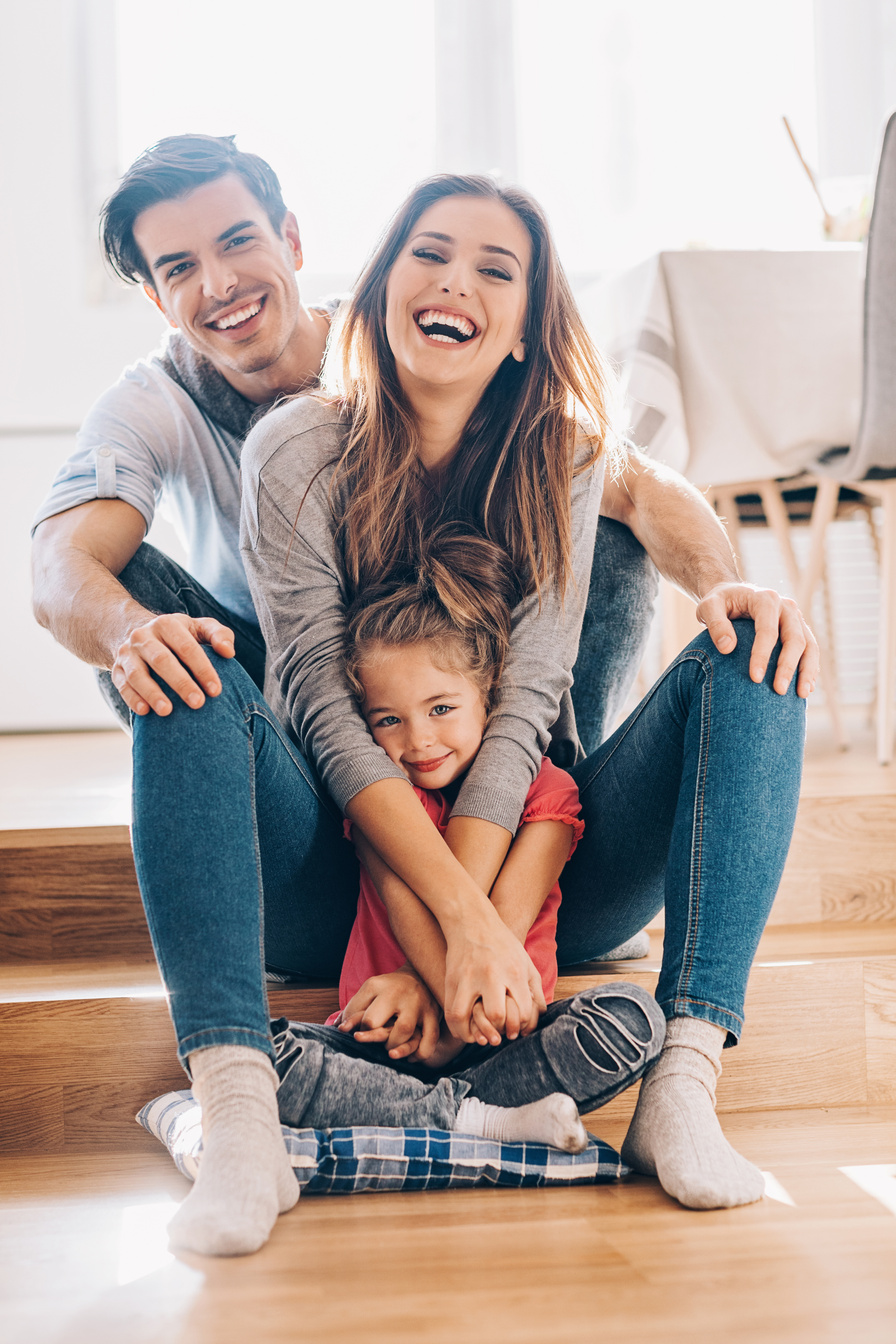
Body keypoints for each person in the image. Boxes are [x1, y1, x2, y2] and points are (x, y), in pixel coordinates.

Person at [119, 170, 813, 1258]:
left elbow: (530, 707)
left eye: (496, 270)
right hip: (337, 884)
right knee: (185, 668)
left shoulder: (566, 459)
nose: (454, 282)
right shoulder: (293, 448)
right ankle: (242, 1115)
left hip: (541, 887)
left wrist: (487, 930)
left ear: (528, 326)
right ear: (383, 282)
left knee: (753, 652)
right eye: (428, 253)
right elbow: (318, 704)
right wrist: (462, 936)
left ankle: (680, 1088)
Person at [30, 133, 657, 757]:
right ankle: (255, 799)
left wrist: (721, 590)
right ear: (158, 301)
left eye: (238, 241)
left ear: (292, 240)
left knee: (613, 537)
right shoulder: (149, 403)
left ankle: (563, 787)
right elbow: (59, 567)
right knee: (120, 590)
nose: (220, 283)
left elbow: (632, 484)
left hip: (442, 655)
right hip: (266, 676)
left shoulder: (411, 328)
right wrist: (127, 633)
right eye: (179, 268)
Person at [267, 529, 664, 1153]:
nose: (418, 740)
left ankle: (425, 1117)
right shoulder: (384, 800)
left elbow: (499, 924)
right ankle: (483, 1121)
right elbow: (401, 904)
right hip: (380, 1039)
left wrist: (441, 1003)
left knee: (631, 1022)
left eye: (441, 708)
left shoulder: (545, 790)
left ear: (490, 696)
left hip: (506, 1034)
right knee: (265, 1060)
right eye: (389, 720)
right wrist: (424, 998)